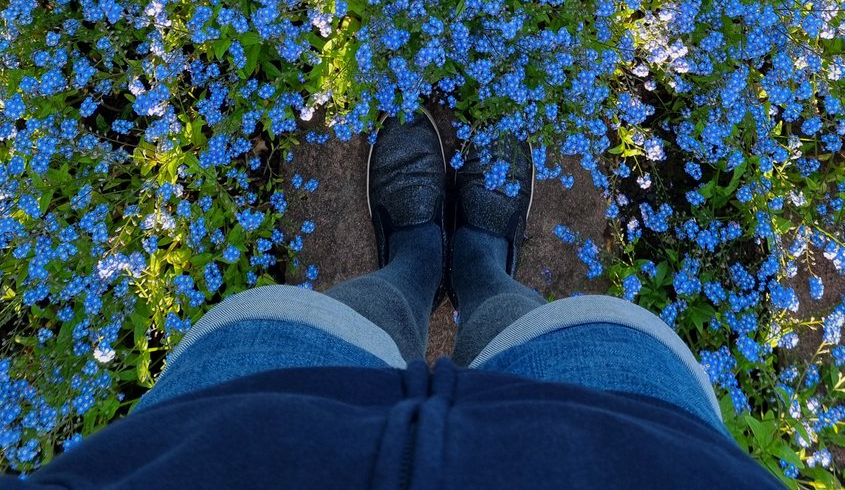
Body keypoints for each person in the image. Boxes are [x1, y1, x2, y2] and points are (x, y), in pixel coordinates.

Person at [9, 106, 784, 488]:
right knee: (568, 339)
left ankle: (416, 262)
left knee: (323, 325)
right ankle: (479, 268)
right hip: (623, 458)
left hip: (240, 448)